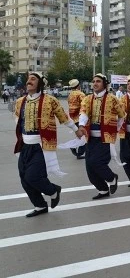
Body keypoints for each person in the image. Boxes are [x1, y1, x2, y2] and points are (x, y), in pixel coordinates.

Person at [13, 72, 79, 217]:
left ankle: (54, 190)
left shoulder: (50, 100)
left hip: (41, 147)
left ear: (40, 84)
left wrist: (76, 130)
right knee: (24, 178)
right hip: (25, 146)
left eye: (33, 79)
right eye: (28, 79)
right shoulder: (20, 101)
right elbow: (18, 120)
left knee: (33, 177)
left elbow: (63, 117)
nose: (29, 81)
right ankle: (40, 205)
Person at [77, 73, 125, 200]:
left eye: (98, 81)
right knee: (89, 167)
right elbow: (83, 113)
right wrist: (81, 125)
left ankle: (112, 177)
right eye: (93, 81)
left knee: (96, 162)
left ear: (104, 84)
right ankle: (103, 189)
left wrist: (116, 128)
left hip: (105, 137)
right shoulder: (87, 99)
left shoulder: (113, 99)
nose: (95, 84)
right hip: (90, 137)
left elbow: (122, 115)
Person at [67, 79, 87, 159]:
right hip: (80, 117)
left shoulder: (70, 94)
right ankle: (79, 152)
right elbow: (85, 105)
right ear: (78, 85)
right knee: (84, 135)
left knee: (80, 134)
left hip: (73, 117)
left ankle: (74, 147)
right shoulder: (80, 94)